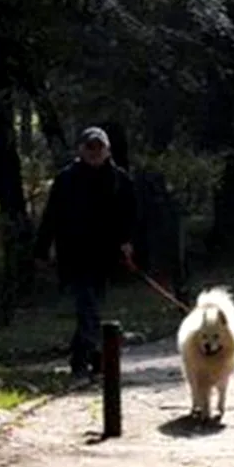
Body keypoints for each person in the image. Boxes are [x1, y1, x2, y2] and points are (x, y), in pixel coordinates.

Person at [34, 126, 137, 381]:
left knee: (91, 310)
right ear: (80, 149)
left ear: (107, 150)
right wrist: (41, 249)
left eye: (99, 147)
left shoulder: (119, 179)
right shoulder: (66, 179)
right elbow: (51, 216)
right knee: (88, 308)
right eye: (89, 147)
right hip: (74, 255)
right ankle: (82, 363)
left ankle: (91, 359)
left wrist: (127, 242)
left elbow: (131, 215)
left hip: (104, 256)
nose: (94, 152)